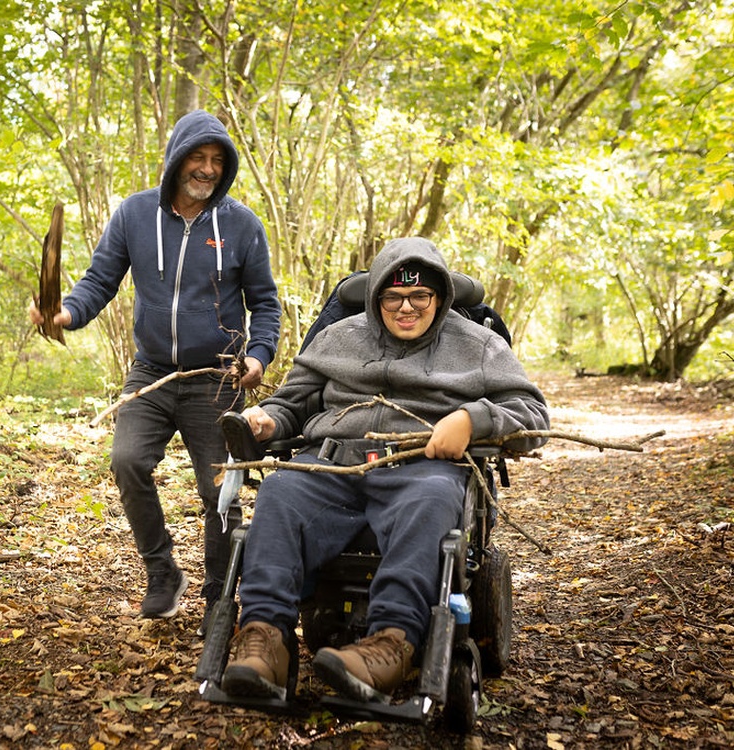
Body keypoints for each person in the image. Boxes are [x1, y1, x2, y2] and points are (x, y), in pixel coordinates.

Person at [220, 236, 549, 703]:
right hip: (333, 466)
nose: (406, 307)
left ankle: (391, 644)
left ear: (441, 295)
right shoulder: (338, 338)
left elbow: (532, 414)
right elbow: (292, 404)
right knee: (279, 491)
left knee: (433, 498)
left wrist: (471, 419)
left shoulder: (479, 345)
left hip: (422, 467)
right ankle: (265, 641)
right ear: (376, 297)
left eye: (420, 296)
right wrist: (267, 418)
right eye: (393, 296)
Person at [28, 110, 281, 628]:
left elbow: (266, 305)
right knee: (127, 460)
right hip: (151, 372)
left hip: (217, 378)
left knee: (221, 492)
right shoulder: (134, 215)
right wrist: (66, 314)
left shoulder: (242, 226)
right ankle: (162, 571)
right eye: (198, 157)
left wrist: (257, 356)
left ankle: (219, 596)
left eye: (217, 161)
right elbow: (99, 281)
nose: (208, 169)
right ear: (176, 159)